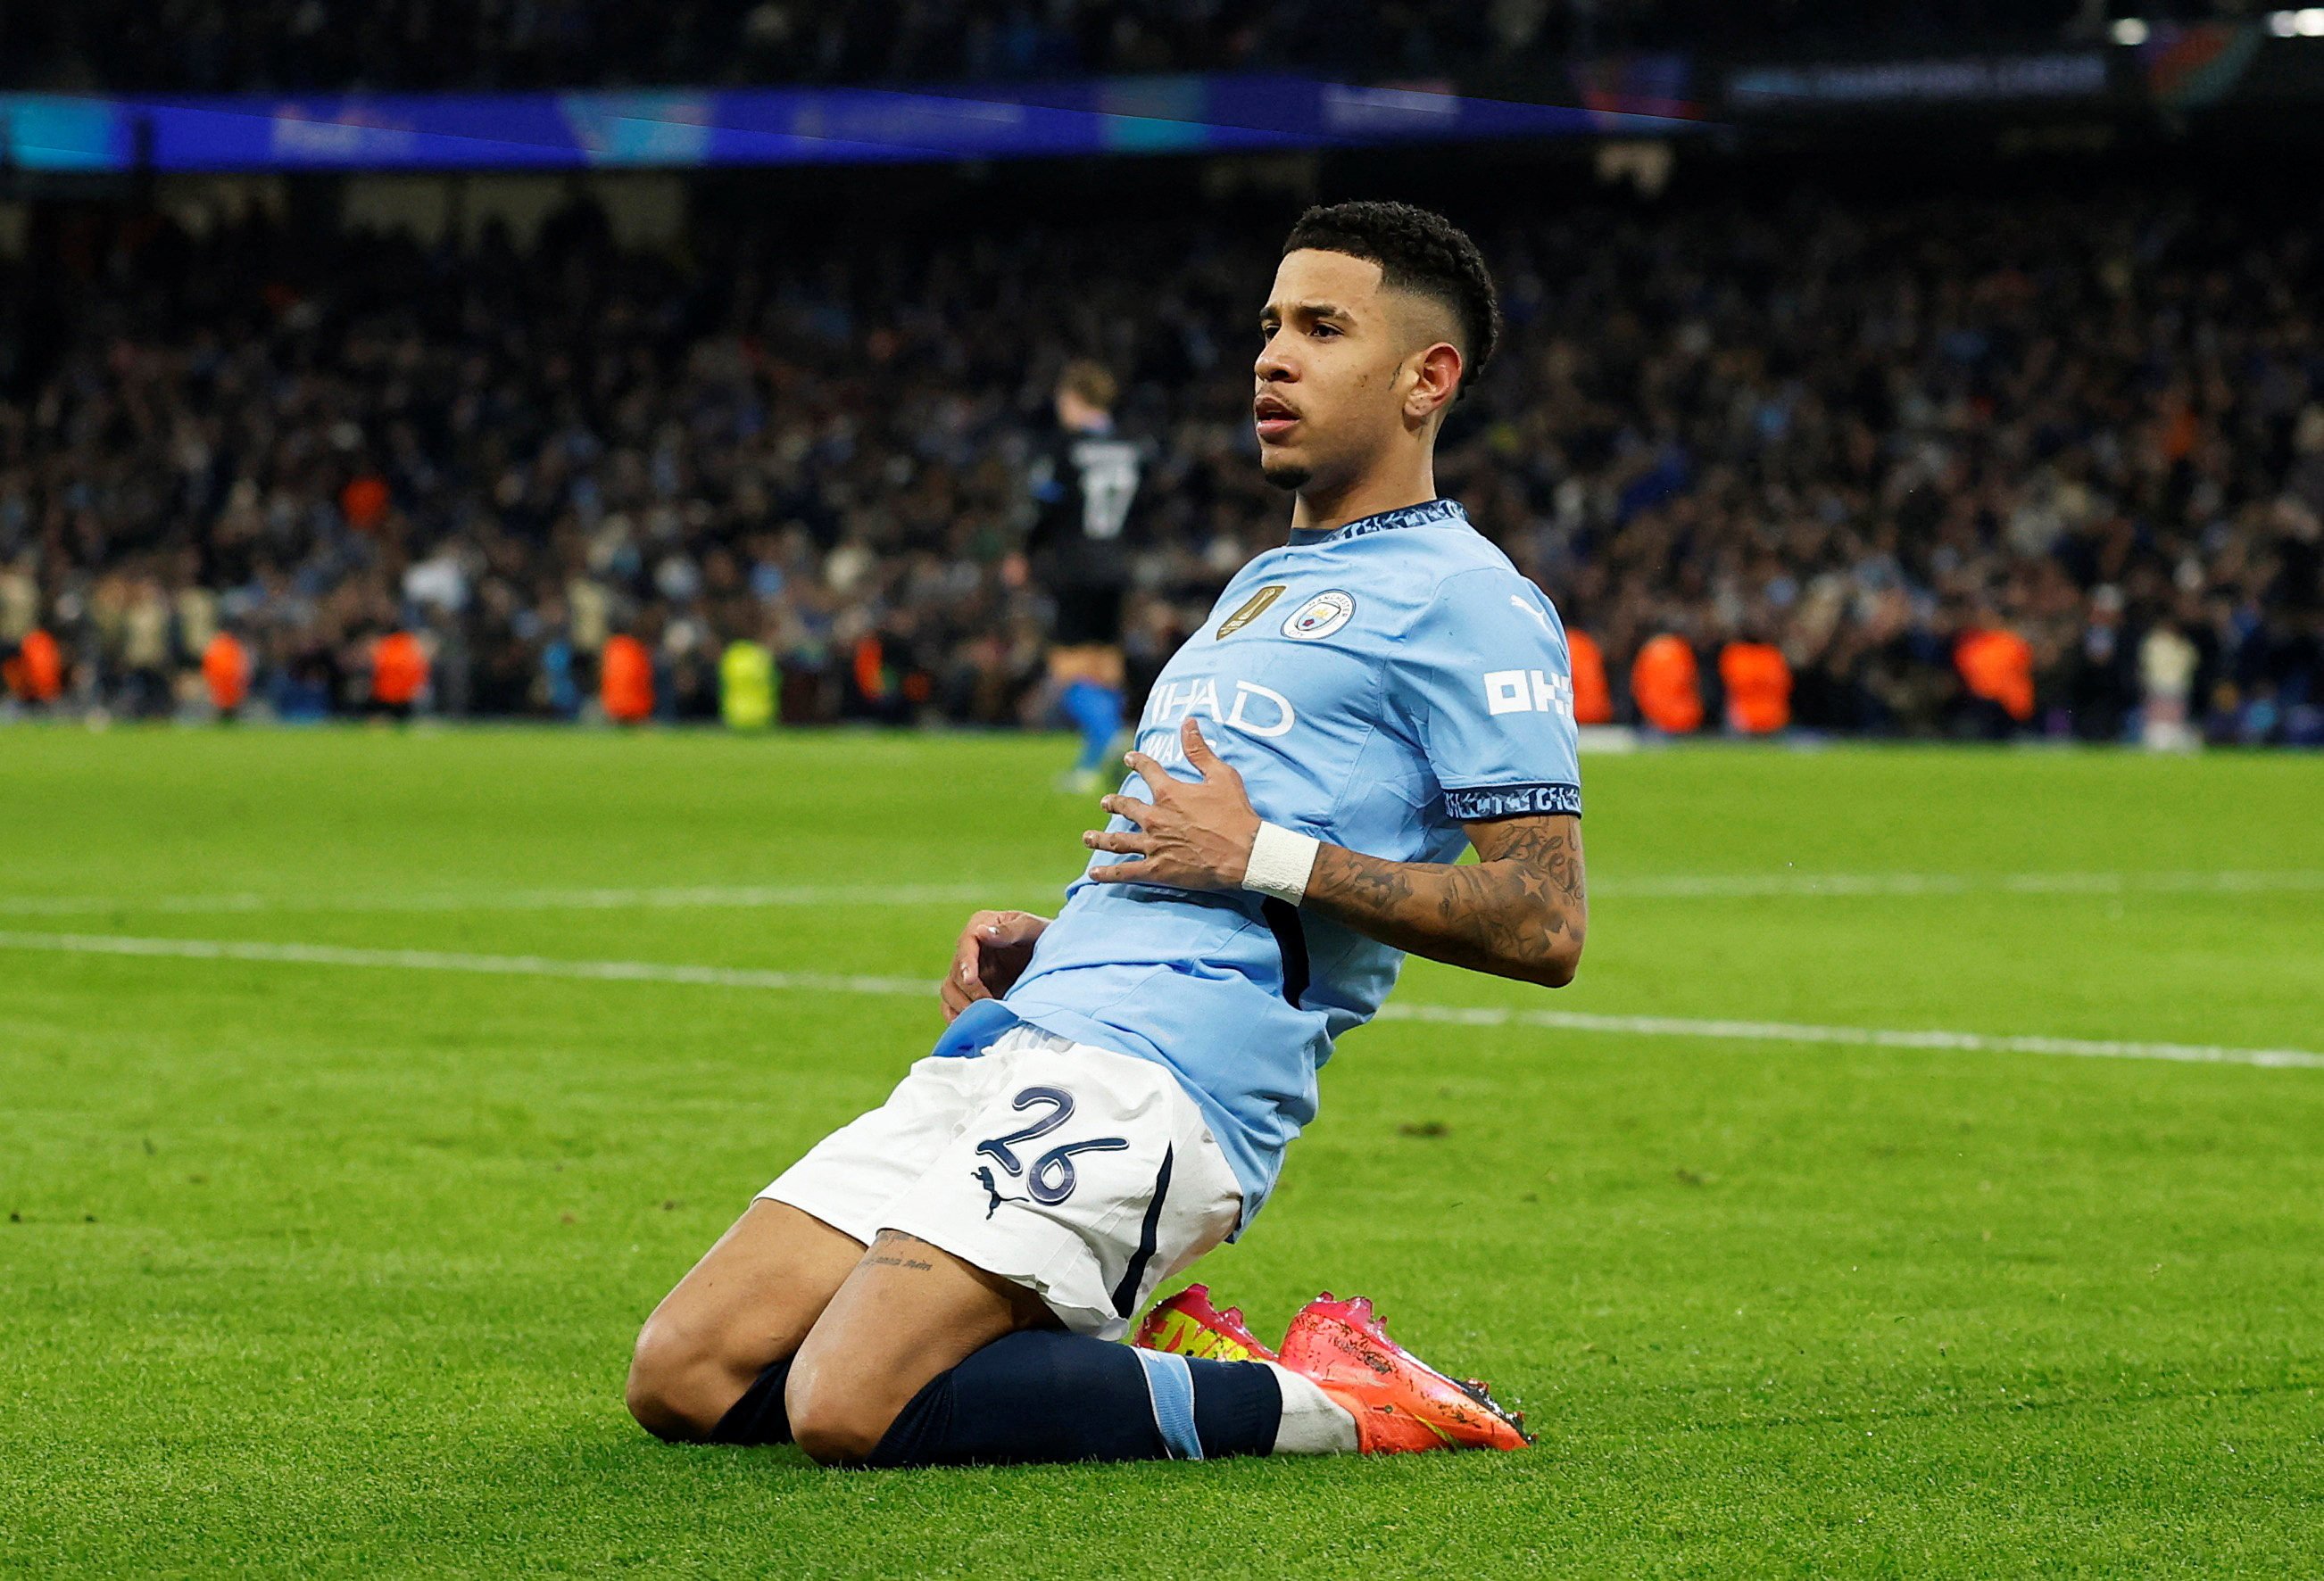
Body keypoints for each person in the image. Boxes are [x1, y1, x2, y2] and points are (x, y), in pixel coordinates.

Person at [626, 202, 1587, 1469]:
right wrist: (1058, 935)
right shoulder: (1262, 585)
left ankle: (1339, 1401)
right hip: (1026, 1033)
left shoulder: (1473, 602)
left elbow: (1545, 921)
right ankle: (1057, 1353)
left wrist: (1264, 857)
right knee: (686, 1373)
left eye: (1320, 327)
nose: (1271, 357)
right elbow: (1182, 844)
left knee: (844, 1407)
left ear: (1430, 377)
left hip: (1169, 1079)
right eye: (1268, 326)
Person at [1016, 360, 1145, 793]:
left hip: (1075, 565)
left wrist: (1025, 554)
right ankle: (1093, 764)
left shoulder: (1063, 448)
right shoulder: (1131, 446)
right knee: (1105, 666)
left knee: (1067, 667)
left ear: (1073, 399)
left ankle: (1109, 738)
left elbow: (1044, 509)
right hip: (1118, 563)